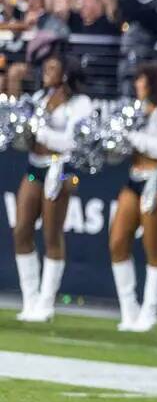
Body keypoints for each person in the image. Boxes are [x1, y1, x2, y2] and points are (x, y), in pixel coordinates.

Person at [13, 52, 92, 322]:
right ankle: (30, 299)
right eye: (45, 67)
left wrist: (42, 131)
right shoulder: (39, 99)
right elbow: (27, 134)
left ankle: (46, 304)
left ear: (66, 74)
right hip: (35, 167)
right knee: (22, 230)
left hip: (61, 171)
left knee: (51, 233)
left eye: (52, 67)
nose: (46, 71)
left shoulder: (81, 104)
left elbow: (71, 142)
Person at [109, 62, 157, 332]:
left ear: (155, 82)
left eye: (141, 80)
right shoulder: (140, 108)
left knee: (153, 248)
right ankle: (128, 310)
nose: (137, 85)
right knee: (117, 242)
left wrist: (132, 138)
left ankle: (149, 312)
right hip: (134, 178)